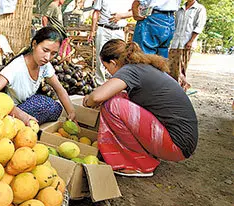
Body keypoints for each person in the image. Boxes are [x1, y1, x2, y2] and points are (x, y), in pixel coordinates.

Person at [82, 39, 198, 177]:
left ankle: (140, 164)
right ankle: (144, 156)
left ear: (113, 63)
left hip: (176, 145)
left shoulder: (129, 70)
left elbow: (96, 97)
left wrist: (88, 101)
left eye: (106, 68)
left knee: (112, 105)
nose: (109, 73)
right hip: (182, 142)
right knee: (119, 97)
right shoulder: (142, 67)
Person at [0, 27, 76, 125]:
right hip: (9, 112)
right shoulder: (16, 66)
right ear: (34, 44)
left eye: (53, 53)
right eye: (45, 50)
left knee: (57, 108)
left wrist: (71, 113)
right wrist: (21, 115)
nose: (48, 57)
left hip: (25, 107)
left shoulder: (45, 66)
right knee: (44, 103)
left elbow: (59, 89)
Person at [88, 0, 133, 86]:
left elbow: (134, 12)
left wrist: (121, 16)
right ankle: (100, 83)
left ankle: (119, 82)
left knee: (121, 56)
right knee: (100, 55)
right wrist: (92, 31)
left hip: (119, 30)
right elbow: (96, 12)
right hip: (103, 29)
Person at [168, 0, 207, 90]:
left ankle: (181, 88)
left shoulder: (199, 9)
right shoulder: (179, 9)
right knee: (170, 67)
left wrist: (191, 41)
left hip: (186, 44)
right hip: (175, 43)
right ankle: (172, 88)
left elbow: (199, 26)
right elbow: (174, 25)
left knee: (181, 68)